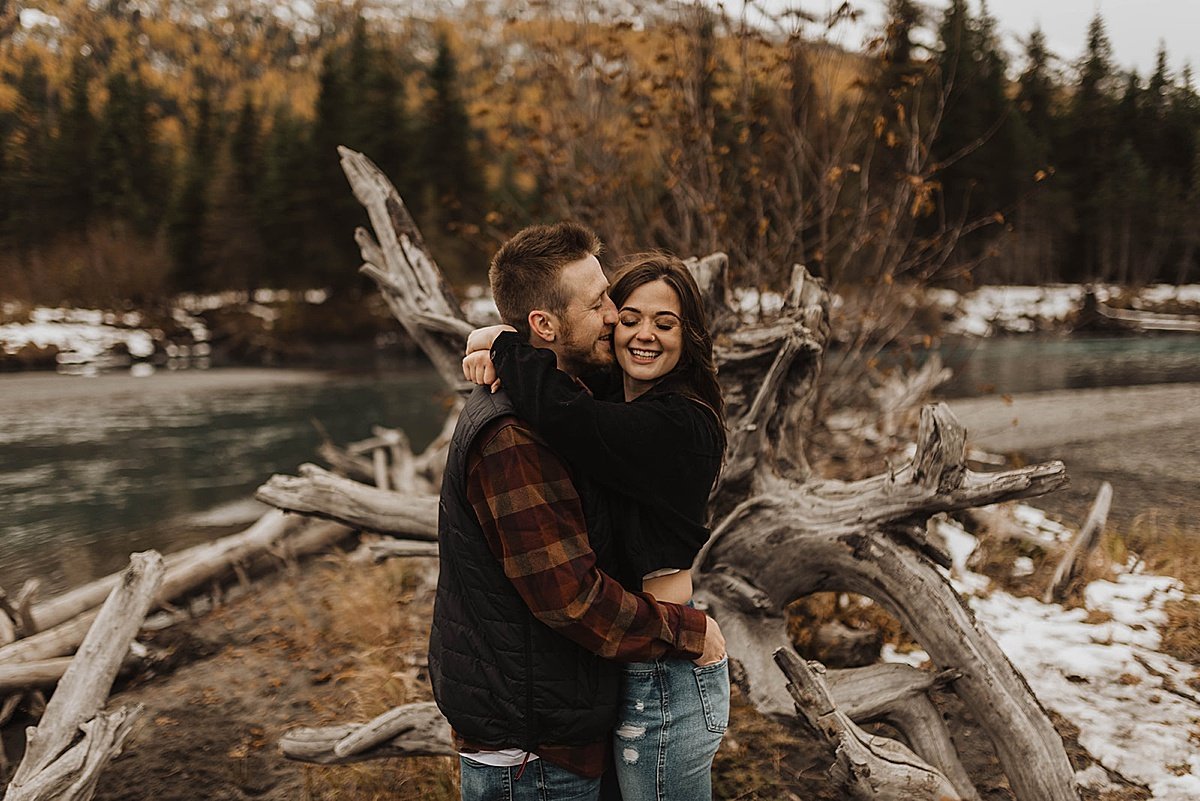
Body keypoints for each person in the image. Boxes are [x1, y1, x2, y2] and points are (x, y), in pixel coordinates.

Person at [428, 222, 726, 801]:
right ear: (546, 324)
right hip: (536, 738)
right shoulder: (520, 431)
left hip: (622, 688)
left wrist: (502, 343)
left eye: (663, 323)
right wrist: (499, 341)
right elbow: (571, 599)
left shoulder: (667, 420)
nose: (618, 319)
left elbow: (577, 416)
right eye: (604, 304)